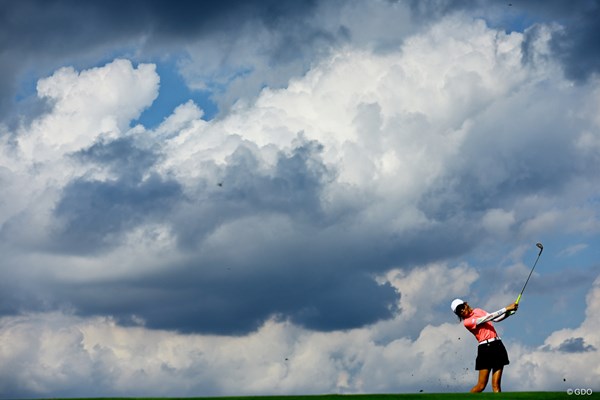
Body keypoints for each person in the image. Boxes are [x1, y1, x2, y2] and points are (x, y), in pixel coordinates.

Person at [450, 298, 518, 393]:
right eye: (459, 311)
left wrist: (509, 313)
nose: (462, 310)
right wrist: (506, 308)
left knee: (496, 386)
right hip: (485, 349)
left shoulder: (478, 310)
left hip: (498, 345)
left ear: (465, 304)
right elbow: (486, 318)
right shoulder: (467, 322)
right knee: (481, 386)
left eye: (462, 307)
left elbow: (496, 318)